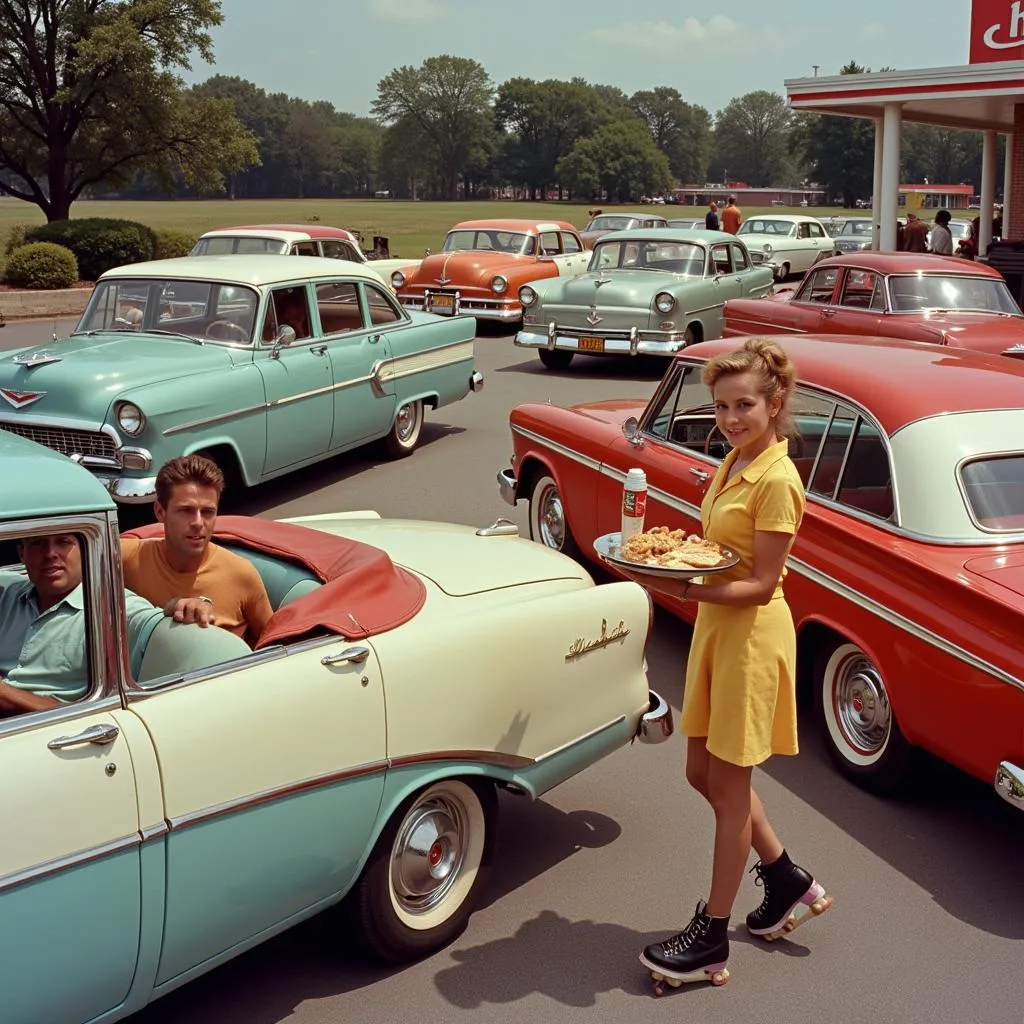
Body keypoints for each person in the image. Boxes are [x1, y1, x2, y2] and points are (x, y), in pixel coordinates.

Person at [627, 338, 831, 988]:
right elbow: (719, 552)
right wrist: (672, 567)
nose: (732, 417)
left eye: (745, 405)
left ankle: (711, 938)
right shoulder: (734, 460)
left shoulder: (777, 479)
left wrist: (679, 587)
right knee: (702, 775)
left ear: (775, 403)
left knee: (729, 792)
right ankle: (786, 878)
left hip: (750, 638)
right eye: (720, 406)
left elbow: (763, 582)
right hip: (718, 630)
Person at [121, 455, 273, 647]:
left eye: (208, 512)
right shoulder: (128, 557)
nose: (198, 523)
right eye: (186, 510)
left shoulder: (242, 574)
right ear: (160, 512)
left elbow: (274, 646)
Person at [0, 534, 160, 715]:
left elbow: (155, 623)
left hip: (57, 732)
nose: (51, 553)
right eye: (38, 543)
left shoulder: (115, 608)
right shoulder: (9, 593)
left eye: (63, 542)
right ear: (22, 553)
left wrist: (195, 606)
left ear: (86, 548)